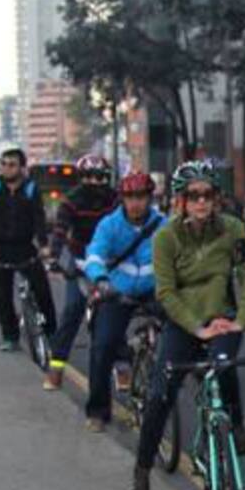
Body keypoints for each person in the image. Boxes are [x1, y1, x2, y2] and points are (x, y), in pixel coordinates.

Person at [128, 160, 245, 490]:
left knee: (224, 366)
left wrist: (240, 320)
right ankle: (141, 470)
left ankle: (234, 427)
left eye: (208, 194)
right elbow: (166, 293)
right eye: (193, 196)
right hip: (185, 323)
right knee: (160, 392)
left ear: (216, 198)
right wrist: (197, 328)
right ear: (180, 201)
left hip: (224, 319)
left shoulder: (233, 229)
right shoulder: (165, 238)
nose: (201, 201)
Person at [80, 171, 165, 432]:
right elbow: (94, 254)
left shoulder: (165, 224)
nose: (135, 203)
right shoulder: (109, 225)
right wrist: (101, 280)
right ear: (122, 199)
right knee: (102, 346)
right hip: (117, 293)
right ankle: (97, 411)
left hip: (156, 292)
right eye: (130, 197)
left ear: (150, 198)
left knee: (186, 340)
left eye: (141, 197)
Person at [45, 153, 119, 391]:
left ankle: (125, 365)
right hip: (79, 263)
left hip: (109, 264)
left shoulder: (115, 200)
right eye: (88, 177)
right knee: (72, 311)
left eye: (100, 178)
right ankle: (55, 369)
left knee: (117, 312)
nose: (94, 183)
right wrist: (54, 258)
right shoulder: (71, 201)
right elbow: (59, 231)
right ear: (80, 178)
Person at [0, 148, 58, 352]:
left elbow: (39, 219)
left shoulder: (31, 189)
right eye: (2, 164)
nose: (6, 168)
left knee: (42, 291)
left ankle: (51, 332)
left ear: (22, 167)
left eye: (11, 164)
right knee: (2, 296)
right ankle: (10, 336)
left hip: (24, 247)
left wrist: (43, 245)